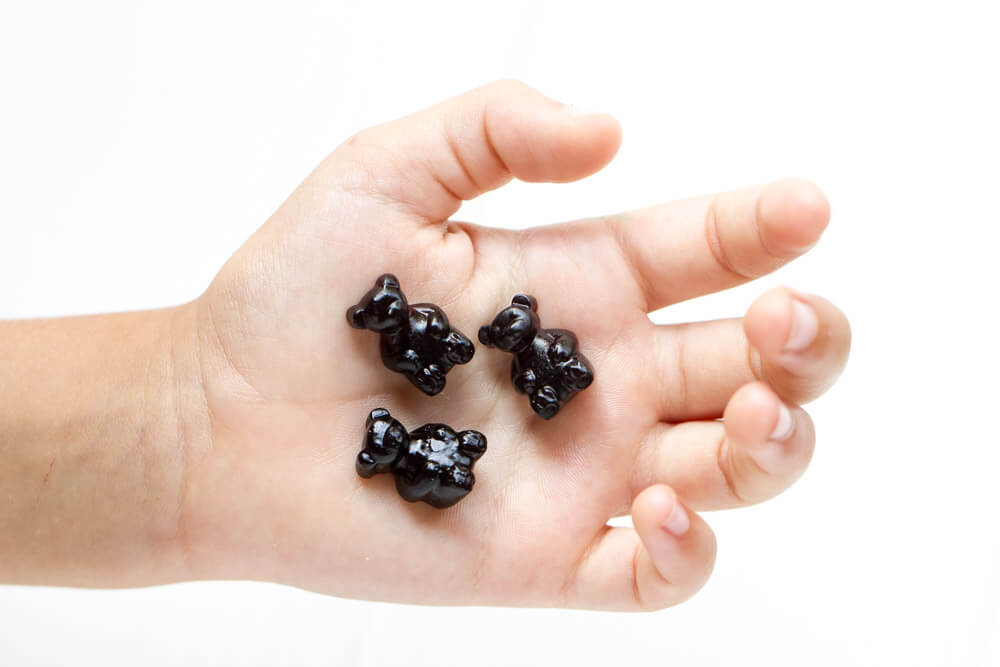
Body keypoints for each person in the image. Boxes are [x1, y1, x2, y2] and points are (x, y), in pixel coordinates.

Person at [0, 80, 850, 611]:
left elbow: (497, 369)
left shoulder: (480, 359)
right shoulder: (423, 358)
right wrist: (202, 411)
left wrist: (193, 413)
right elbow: (441, 370)